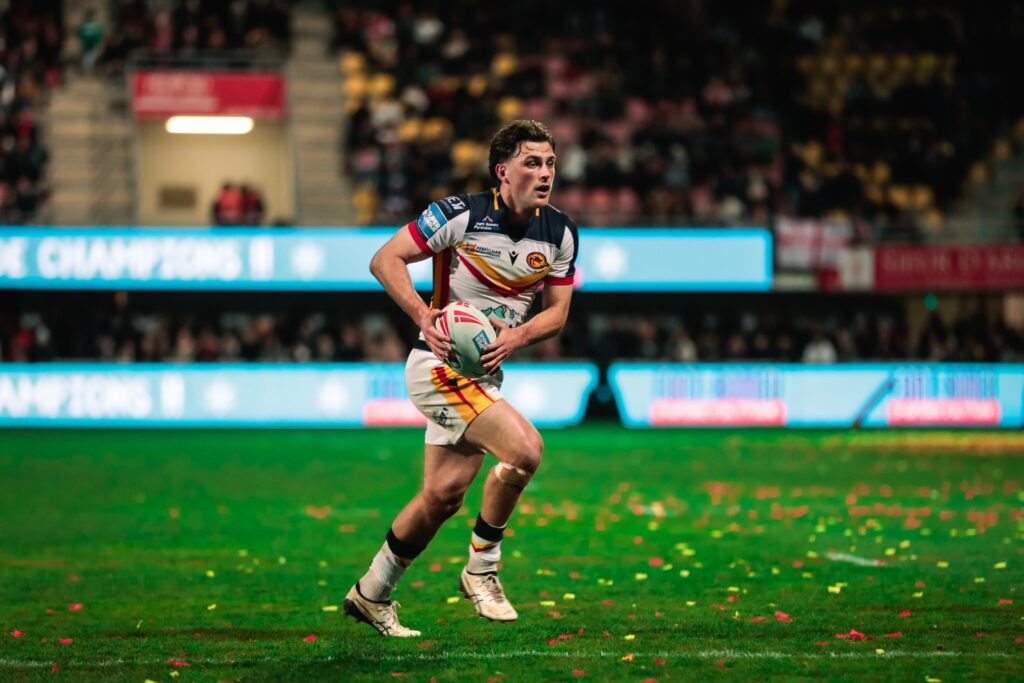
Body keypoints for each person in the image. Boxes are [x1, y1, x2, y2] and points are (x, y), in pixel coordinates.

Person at [345, 120, 579, 636]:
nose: (545, 173)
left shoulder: (560, 232)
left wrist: (516, 337)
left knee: (442, 497)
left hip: (483, 377)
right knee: (525, 451)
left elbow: (558, 313)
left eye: (550, 163)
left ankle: (371, 592)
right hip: (436, 366)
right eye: (532, 163)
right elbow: (385, 259)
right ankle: (482, 569)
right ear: (503, 171)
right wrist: (422, 315)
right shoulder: (460, 214)